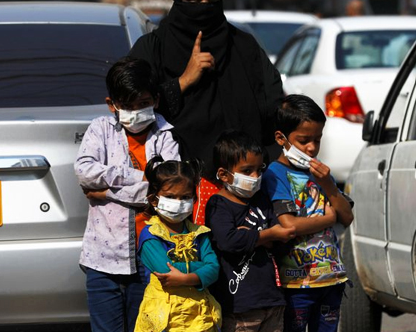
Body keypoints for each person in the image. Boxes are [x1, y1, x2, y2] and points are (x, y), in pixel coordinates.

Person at [128, 0, 284, 225]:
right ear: (178, 0)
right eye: (193, 1)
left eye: (211, 1)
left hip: (242, 191)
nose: (203, 8)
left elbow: (271, 106)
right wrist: (184, 81)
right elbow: (133, 112)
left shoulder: (244, 47)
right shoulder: (152, 50)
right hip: (176, 197)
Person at [74, 57, 181, 332]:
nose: (136, 112)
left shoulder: (165, 135)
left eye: (143, 103)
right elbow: (84, 170)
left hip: (150, 257)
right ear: (113, 105)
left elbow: (167, 189)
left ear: (155, 100)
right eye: (128, 106)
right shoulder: (101, 129)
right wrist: (139, 177)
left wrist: (107, 191)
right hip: (103, 257)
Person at [261, 94, 354, 332]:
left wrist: (330, 187)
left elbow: (348, 217)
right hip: (297, 282)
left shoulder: (321, 173)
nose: (312, 148)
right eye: (303, 141)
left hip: (331, 279)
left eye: (317, 139)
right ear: (281, 138)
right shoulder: (275, 174)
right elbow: (289, 224)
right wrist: (328, 219)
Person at [205, 130, 297, 332]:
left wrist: (250, 236)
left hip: (272, 300)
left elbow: (285, 234)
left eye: (259, 170)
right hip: (239, 305)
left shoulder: (262, 199)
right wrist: (268, 235)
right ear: (223, 174)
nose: (255, 177)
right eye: (247, 171)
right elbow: (229, 242)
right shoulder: (218, 204)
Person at [135, 157, 221, 331]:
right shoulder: (150, 235)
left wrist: (185, 278)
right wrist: (200, 270)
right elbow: (165, 272)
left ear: (194, 199)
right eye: (170, 197)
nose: (178, 202)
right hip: (165, 319)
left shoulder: (199, 233)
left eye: (185, 197)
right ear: (154, 200)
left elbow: (214, 268)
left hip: (199, 317)